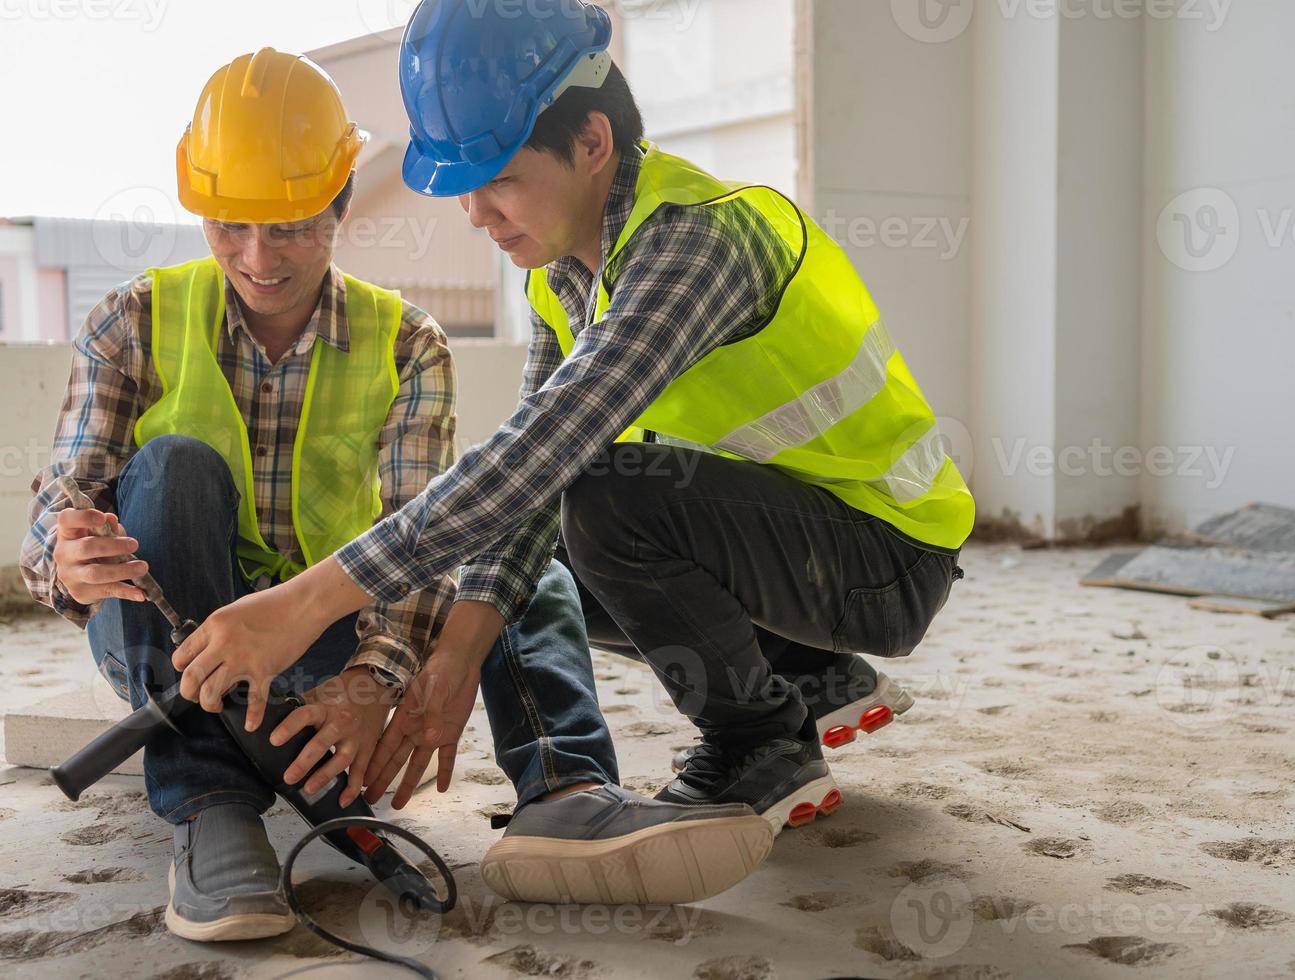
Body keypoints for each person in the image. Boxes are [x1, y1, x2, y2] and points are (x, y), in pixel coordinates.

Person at [172, 0, 972, 904]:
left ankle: (763, 744)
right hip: (794, 553)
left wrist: (299, 605)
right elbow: (517, 503)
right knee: (528, 556)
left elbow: (537, 455)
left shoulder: (698, 239)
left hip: (887, 557)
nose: (475, 213)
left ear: (591, 142)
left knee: (599, 496)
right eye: (462, 185)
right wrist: (457, 653)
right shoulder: (565, 272)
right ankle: (806, 673)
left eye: (499, 179)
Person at [21, 48, 468, 942]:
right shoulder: (131, 321)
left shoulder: (408, 345)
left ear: (342, 204)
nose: (258, 257)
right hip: (155, 635)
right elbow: (58, 509)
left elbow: (423, 542)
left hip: (314, 640)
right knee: (176, 463)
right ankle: (211, 801)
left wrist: (369, 682)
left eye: (292, 226)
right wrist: (63, 558)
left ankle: (234, 770)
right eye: (229, 225)